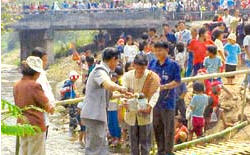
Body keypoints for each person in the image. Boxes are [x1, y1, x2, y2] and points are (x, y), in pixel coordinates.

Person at [81, 47, 132, 155]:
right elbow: (108, 85)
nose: (117, 64)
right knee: (95, 148)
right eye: (117, 61)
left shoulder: (103, 71)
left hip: (97, 115)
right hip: (94, 115)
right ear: (113, 59)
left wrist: (121, 95)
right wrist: (121, 88)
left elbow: (107, 94)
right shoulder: (100, 70)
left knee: (101, 146)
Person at [14, 56, 54, 155]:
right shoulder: (35, 86)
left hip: (22, 125)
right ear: (36, 72)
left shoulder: (16, 85)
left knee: (24, 151)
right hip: (35, 126)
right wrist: (52, 108)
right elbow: (48, 106)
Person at [122, 54, 160, 155]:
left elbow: (156, 92)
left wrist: (150, 105)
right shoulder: (127, 76)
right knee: (133, 143)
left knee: (145, 143)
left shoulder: (152, 77)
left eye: (142, 69)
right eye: (138, 68)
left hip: (145, 113)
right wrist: (124, 101)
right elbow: (123, 91)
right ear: (134, 65)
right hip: (131, 114)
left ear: (146, 66)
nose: (140, 71)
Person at [148, 41, 181, 155]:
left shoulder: (173, 65)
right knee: (157, 127)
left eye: (160, 50)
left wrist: (164, 87)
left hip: (168, 102)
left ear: (167, 51)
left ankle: (168, 151)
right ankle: (160, 150)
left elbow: (177, 81)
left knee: (169, 128)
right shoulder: (152, 63)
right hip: (154, 102)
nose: (158, 52)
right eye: (156, 50)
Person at [31, 47, 55, 139]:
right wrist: (49, 106)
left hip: (44, 117)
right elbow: (40, 95)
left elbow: (47, 91)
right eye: (44, 60)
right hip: (38, 119)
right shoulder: (35, 77)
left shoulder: (42, 74)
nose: (46, 63)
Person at [60, 70, 80, 137]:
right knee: (73, 113)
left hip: (73, 100)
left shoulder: (72, 83)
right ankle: (73, 127)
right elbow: (63, 90)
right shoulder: (68, 84)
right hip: (71, 101)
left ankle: (72, 126)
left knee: (74, 112)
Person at [107, 72, 122, 147]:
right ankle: (112, 137)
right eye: (111, 79)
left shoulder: (118, 87)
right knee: (110, 123)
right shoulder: (108, 87)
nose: (112, 80)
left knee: (116, 123)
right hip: (109, 108)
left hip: (116, 108)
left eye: (114, 79)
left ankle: (117, 138)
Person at [242, 23, 250, 90]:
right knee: (249, 72)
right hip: (249, 58)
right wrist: (249, 56)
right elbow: (246, 47)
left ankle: (244, 84)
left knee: (248, 72)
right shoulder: (247, 37)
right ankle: (246, 84)